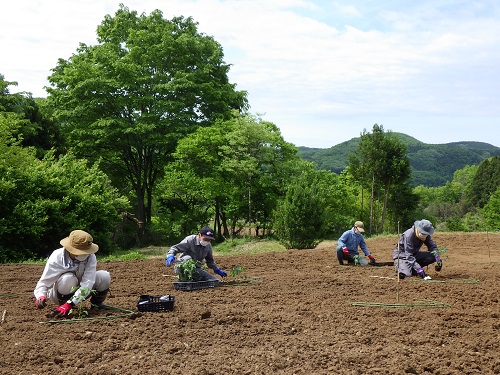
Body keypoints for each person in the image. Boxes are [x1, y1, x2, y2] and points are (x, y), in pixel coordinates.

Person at [33, 230, 111, 317]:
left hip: (81, 292)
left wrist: (70, 303)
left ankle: (96, 305)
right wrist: (41, 296)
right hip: (60, 292)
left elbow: (88, 282)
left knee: (104, 276)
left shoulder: (91, 256)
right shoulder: (57, 256)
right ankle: (62, 305)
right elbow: (44, 282)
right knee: (68, 278)